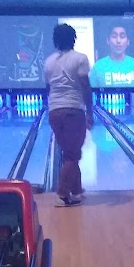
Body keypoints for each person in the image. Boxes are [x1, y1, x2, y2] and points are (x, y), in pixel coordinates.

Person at [44, 24, 94, 207]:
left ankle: (76, 190)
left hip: (54, 111)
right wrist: (90, 111)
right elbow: (85, 86)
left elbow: (48, 88)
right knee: (73, 154)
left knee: (69, 152)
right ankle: (62, 195)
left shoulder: (49, 61)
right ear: (74, 39)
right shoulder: (80, 58)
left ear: (55, 40)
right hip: (73, 110)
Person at [89, 23, 134, 88]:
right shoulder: (97, 67)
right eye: (114, 36)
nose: (118, 41)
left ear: (128, 41)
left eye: (122, 36)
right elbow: (91, 92)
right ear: (108, 40)